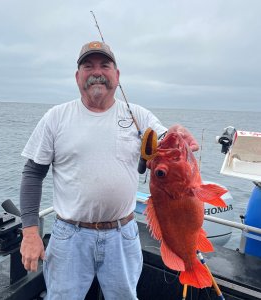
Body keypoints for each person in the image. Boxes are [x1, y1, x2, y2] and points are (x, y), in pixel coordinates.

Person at [19, 40, 199, 300]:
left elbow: (169, 147)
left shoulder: (139, 116)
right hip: (69, 235)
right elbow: (33, 174)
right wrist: (30, 233)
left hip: (122, 234)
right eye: (88, 66)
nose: (97, 72)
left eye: (105, 65)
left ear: (117, 75)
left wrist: (179, 132)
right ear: (77, 76)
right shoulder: (56, 117)